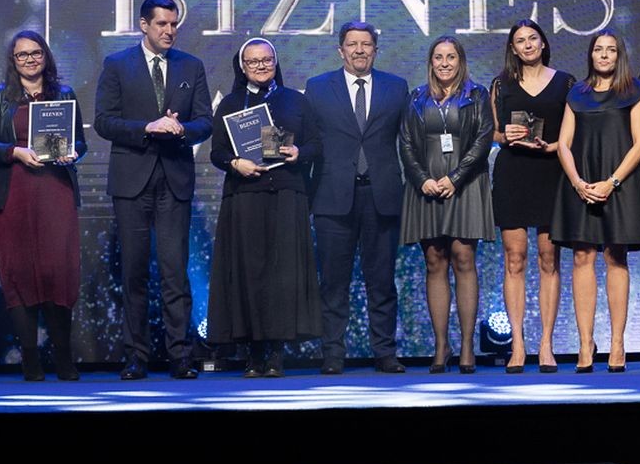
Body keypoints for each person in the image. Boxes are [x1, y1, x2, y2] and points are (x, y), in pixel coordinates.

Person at [94, 0, 212, 380]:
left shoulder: (191, 66)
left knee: (175, 272)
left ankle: (180, 356)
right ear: (144, 25)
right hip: (132, 181)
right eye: (162, 24)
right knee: (134, 272)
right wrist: (148, 127)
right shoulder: (117, 65)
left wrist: (180, 128)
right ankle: (136, 356)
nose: (169, 31)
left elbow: (205, 122)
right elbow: (104, 121)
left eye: (174, 24)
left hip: (174, 180)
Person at [207, 38, 322, 377]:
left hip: (287, 194)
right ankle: (254, 353)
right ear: (242, 67)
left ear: (275, 62)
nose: (261, 66)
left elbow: (316, 144)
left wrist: (300, 153)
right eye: (253, 61)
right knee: (250, 272)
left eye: (267, 60)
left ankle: (276, 353)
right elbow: (216, 152)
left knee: (283, 274)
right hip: (245, 196)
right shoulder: (230, 104)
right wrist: (235, 163)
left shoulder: (296, 100)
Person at [0, 31, 88, 381]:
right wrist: (15, 152)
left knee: (58, 272)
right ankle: (30, 359)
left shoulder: (64, 94)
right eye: (22, 55)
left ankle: (63, 358)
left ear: (45, 56)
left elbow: (81, 142)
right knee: (21, 272)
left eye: (35, 53)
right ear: (13, 61)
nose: (29, 59)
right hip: (14, 192)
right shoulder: (0, 96)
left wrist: (73, 153)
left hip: (56, 191)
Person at [305, 21, 410, 375]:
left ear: (376, 50)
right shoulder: (318, 88)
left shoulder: (396, 87)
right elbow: (309, 141)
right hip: (332, 198)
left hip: (382, 196)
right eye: (352, 44)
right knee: (333, 283)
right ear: (341, 50)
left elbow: (408, 141)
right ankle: (333, 355)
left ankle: (385, 353)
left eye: (366, 44)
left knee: (382, 282)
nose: (360, 50)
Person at [552, 29, 640, 374]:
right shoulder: (576, 94)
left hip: (619, 183)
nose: (605, 55)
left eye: (611, 50)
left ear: (619, 55)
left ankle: (618, 344)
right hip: (581, 183)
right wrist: (578, 183)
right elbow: (563, 144)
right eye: (599, 49)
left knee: (615, 256)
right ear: (591, 55)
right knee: (582, 256)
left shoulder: (633, 91)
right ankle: (585, 344)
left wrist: (612, 182)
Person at [399, 35, 495, 374]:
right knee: (434, 260)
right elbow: (406, 143)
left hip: (465, 183)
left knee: (463, 258)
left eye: (450, 57)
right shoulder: (417, 97)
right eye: (438, 57)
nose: (444, 63)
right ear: (431, 62)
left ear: (460, 61)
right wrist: (421, 178)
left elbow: (483, 139)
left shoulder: (477, 95)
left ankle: (467, 344)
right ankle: (441, 345)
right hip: (426, 185)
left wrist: (455, 177)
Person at [489, 19, 576, 373]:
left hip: (551, 172)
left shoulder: (565, 82)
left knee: (548, 258)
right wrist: (505, 136)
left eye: (532, 38)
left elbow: (574, 133)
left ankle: (546, 345)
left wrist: (553, 145)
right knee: (515, 258)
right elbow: (492, 133)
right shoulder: (501, 84)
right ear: (513, 48)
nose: (527, 45)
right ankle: (518, 345)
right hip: (513, 173)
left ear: (543, 43)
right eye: (520, 41)